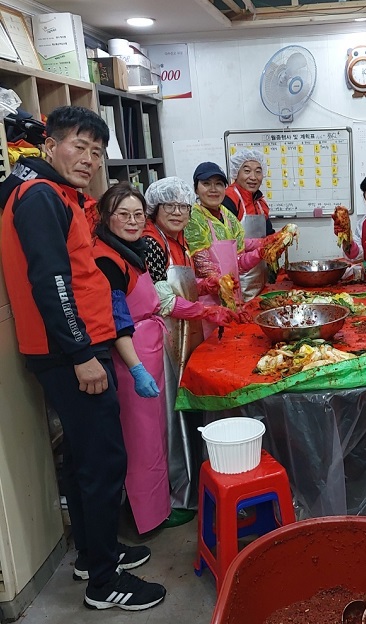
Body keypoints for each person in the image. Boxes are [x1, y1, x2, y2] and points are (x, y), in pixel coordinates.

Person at [0, 106, 166, 610]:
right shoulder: (39, 197)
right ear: (50, 144)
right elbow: (50, 282)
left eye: (97, 152)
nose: (89, 160)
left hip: (73, 347)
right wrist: (80, 354)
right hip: (71, 351)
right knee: (103, 461)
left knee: (81, 457)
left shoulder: (53, 193)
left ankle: (95, 554)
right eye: (79, 146)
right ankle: (103, 582)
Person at [93, 181, 189, 533]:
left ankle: (159, 507)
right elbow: (118, 321)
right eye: (124, 215)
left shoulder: (131, 251)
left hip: (149, 349)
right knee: (142, 442)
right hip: (131, 358)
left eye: (137, 214)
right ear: (106, 216)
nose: (132, 222)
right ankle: (144, 519)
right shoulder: (106, 259)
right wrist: (136, 369)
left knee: (156, 436)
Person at [142, 177, 238, 514]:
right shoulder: (151, 242)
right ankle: (174, 494)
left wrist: (205, 284)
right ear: (154, 209)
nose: (178, 212)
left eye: (183, 206)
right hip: (161, 337)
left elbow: (180, 282)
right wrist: (206, 309)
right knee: (168, 415)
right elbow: (162, 299)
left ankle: (191, 481)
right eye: (170, 206)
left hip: (181, 333)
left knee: (182, 408)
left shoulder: (177, 240)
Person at [185, 161, 277, 314]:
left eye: (219, 184)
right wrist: (219, 282)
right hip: (209, 303)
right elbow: (203, 266)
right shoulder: (193, 218)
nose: (213, 189)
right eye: (206, 184)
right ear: (196, 189)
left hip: (233, 293)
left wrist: (260, 252)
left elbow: (238, 262)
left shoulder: (229, 217)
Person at [222, 149, 274, 299]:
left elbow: (269, 234)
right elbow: (227, 243)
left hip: (260, 276)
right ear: (236, 173)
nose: (253, 177)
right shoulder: (229, 199)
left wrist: (283, 238)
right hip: (237, 280)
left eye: (258, 171)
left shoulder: (260, 202)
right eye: (247, 171)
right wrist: (263, 244)